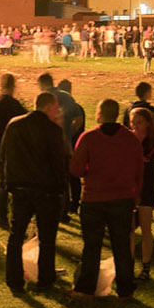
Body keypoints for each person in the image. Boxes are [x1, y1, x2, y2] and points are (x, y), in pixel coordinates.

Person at [69, 99, 143, 299]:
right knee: (122, 247)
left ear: (99, 114)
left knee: (92, 246)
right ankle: (126, 289)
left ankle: (86, 288)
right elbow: (139, 170)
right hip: (123, 198)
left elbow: (75, 169)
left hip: (94, 198)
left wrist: (89, 171)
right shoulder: (130, 139)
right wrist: (136, 195)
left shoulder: (89, 138)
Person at [0, 90, 68, 295]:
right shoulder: (52, 130)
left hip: (20, 188)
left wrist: (7, 182)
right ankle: (45, 279)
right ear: (48, 107)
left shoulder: (14, 125)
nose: (57, 111)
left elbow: (4, 154)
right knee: (47, 238)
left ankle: (14, 278)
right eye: (55, 107)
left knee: (16, 235)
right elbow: (58, 162)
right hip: (45, 190)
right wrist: (61, 190)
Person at [129, 104, 154, 279]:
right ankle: (128, 266)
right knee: (129, 228)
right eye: (132, 122)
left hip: (148, 187)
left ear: (148, 123)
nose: (135, 126)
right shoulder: (128, 140)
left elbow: (148, 159)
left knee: (146, 227)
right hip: (130, 187)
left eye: (139, 122)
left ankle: (146, 267)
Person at [0, 74, 26, 231]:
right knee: (9, 184)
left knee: (2, 182)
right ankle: (6, 216)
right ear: (13, 86)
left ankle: (1, 216)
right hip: (11, 148)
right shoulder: (12, 104)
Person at [55, 79, 87, 219]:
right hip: (76, 147)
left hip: (66, 147)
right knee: (74, 177)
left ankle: (65, 207)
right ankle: (74, 204)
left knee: (64, 178)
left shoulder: (60, 110)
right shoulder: (78, 108)